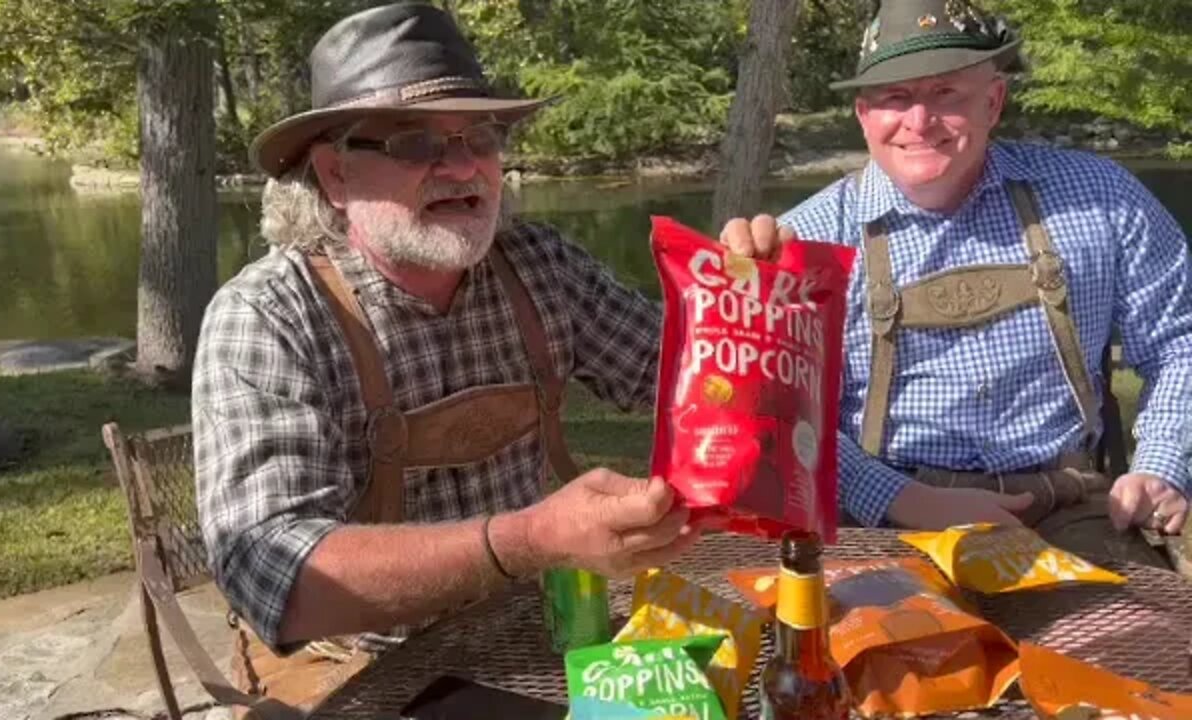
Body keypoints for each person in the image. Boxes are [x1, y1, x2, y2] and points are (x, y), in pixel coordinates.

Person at [191, 2, 696, 713]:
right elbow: (273, 574)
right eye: (414, 143)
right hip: (357, 668)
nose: (463, 166)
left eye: (479, 137)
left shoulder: (538, 267)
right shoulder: (269, 316)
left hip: (542, 631)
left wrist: (745, 300)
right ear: (334, 176)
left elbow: (686, 378)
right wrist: (528, 540)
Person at [722, 0, 1190, 562]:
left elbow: (1179, 341)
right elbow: (773, 416)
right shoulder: (804, 244)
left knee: (1119, 649)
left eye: (946, 93)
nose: (919, 122)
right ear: (863, 113)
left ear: (993, 101)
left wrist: (1160, 465)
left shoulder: (1101, 199)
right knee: (885, 651)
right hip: (881, 527)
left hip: (1070, 510)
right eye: (896, 97)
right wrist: (901, 497)